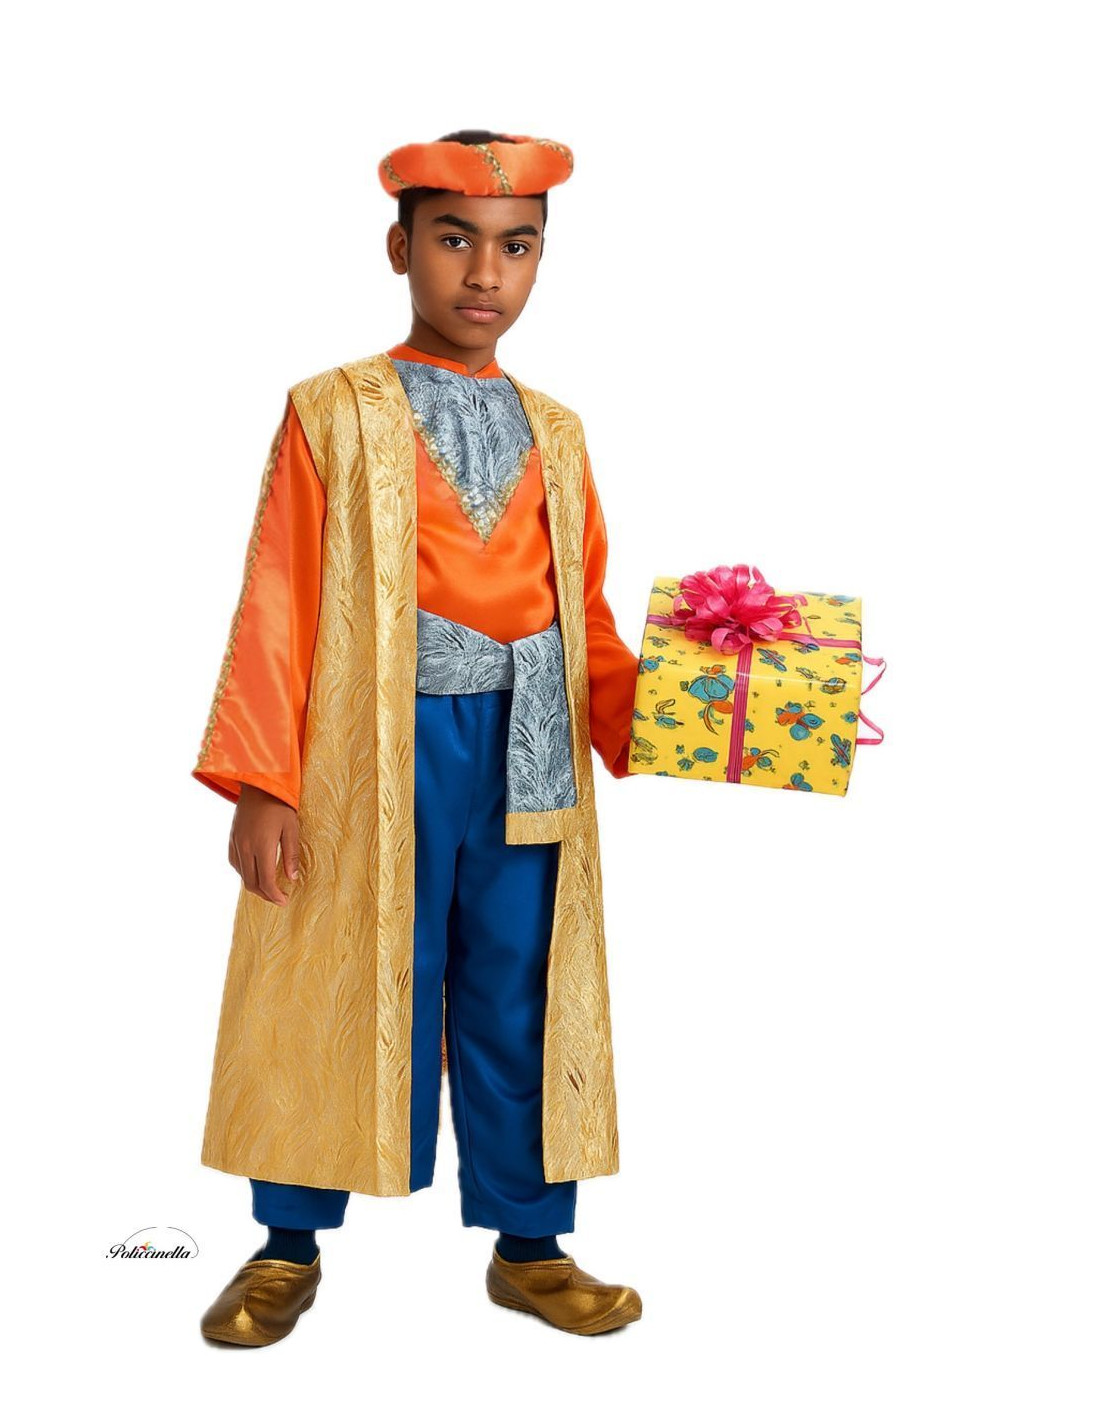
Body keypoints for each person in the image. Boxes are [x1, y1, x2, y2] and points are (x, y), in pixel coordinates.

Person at [195, 130, 643, 1345]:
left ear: (540, 259)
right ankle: (285, 1245)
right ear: (400, 249)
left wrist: (676, 712)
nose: (484, 274)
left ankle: (529, 1245)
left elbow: (582, 611)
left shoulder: (558, 431)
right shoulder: (331, 410)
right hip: (375, 746)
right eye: (454, 240)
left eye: (516, 246)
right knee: (338, 970)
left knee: (519, 982)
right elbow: (281, 595)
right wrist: (264, 779)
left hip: (528, 742)